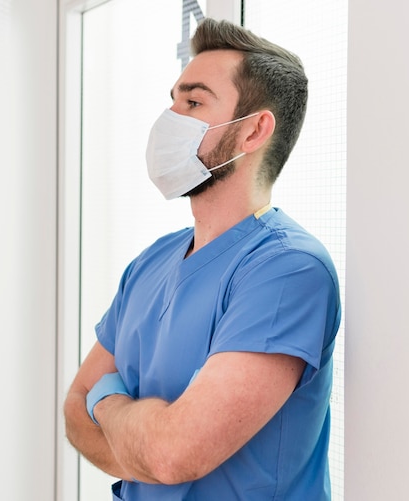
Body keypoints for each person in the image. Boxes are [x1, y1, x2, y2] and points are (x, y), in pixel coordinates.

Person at [64, 17, 341, 501]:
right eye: (172, 101)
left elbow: (174, 454)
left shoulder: (288, 270)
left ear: (254, 130)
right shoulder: (151, 263)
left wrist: (108, 402)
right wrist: (147, 441)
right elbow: (72, 412)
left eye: (192, 103)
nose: (170, 118)